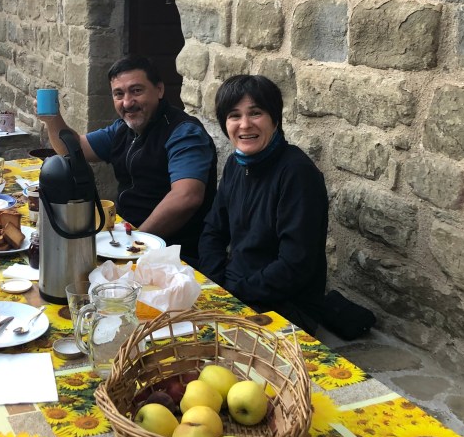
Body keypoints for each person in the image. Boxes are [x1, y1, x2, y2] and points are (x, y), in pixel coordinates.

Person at [37, 55, 216, 261]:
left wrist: (136, 242)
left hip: (173, 253)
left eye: (136, 91)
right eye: (119, 94)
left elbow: (186, 197)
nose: (127, 102)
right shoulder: (122, 129)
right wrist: (52, 119)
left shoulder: (184, 133)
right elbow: (74, 150)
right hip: (128, 236)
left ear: (159, 90)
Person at [197, 74, 328, 332]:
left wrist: (234, 292)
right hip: (235, 288)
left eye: (255, 113)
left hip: (284, 306)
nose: (245, 125)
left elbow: (294, 265)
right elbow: (213, 230)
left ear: (275, 118)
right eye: (234, 115)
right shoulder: (235, 164)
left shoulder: (297, 173)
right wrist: (216, 284)